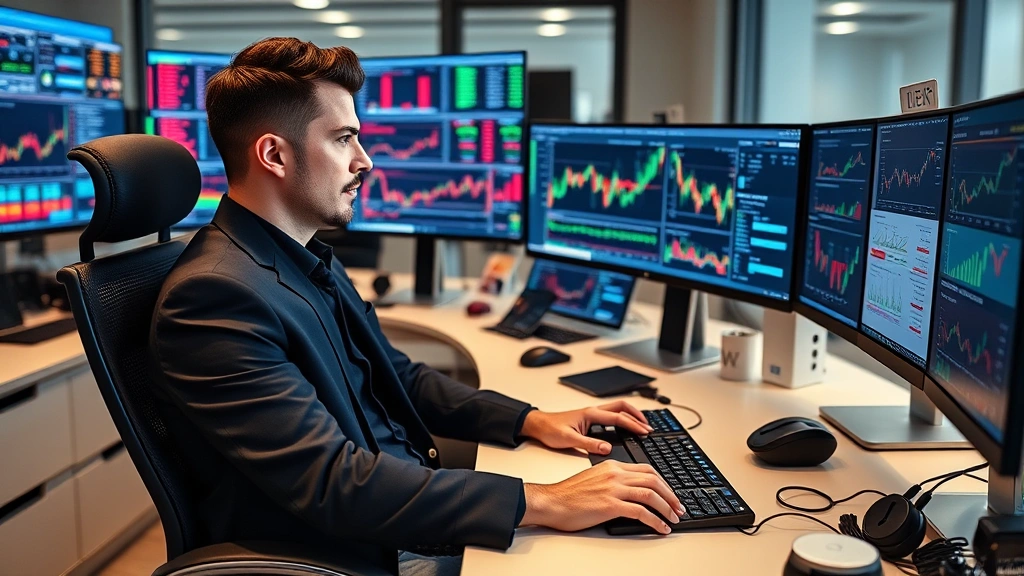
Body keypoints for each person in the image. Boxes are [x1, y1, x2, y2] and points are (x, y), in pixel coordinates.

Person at [149, 37, 683, 576]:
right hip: (357, 553)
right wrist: (546, 501)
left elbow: (397, 376)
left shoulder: (300, 256)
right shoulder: (214, 298)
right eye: (344, 139)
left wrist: (531, 420)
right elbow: (335, 482)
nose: (366, 160)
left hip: (399, 515)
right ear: (274, 155)